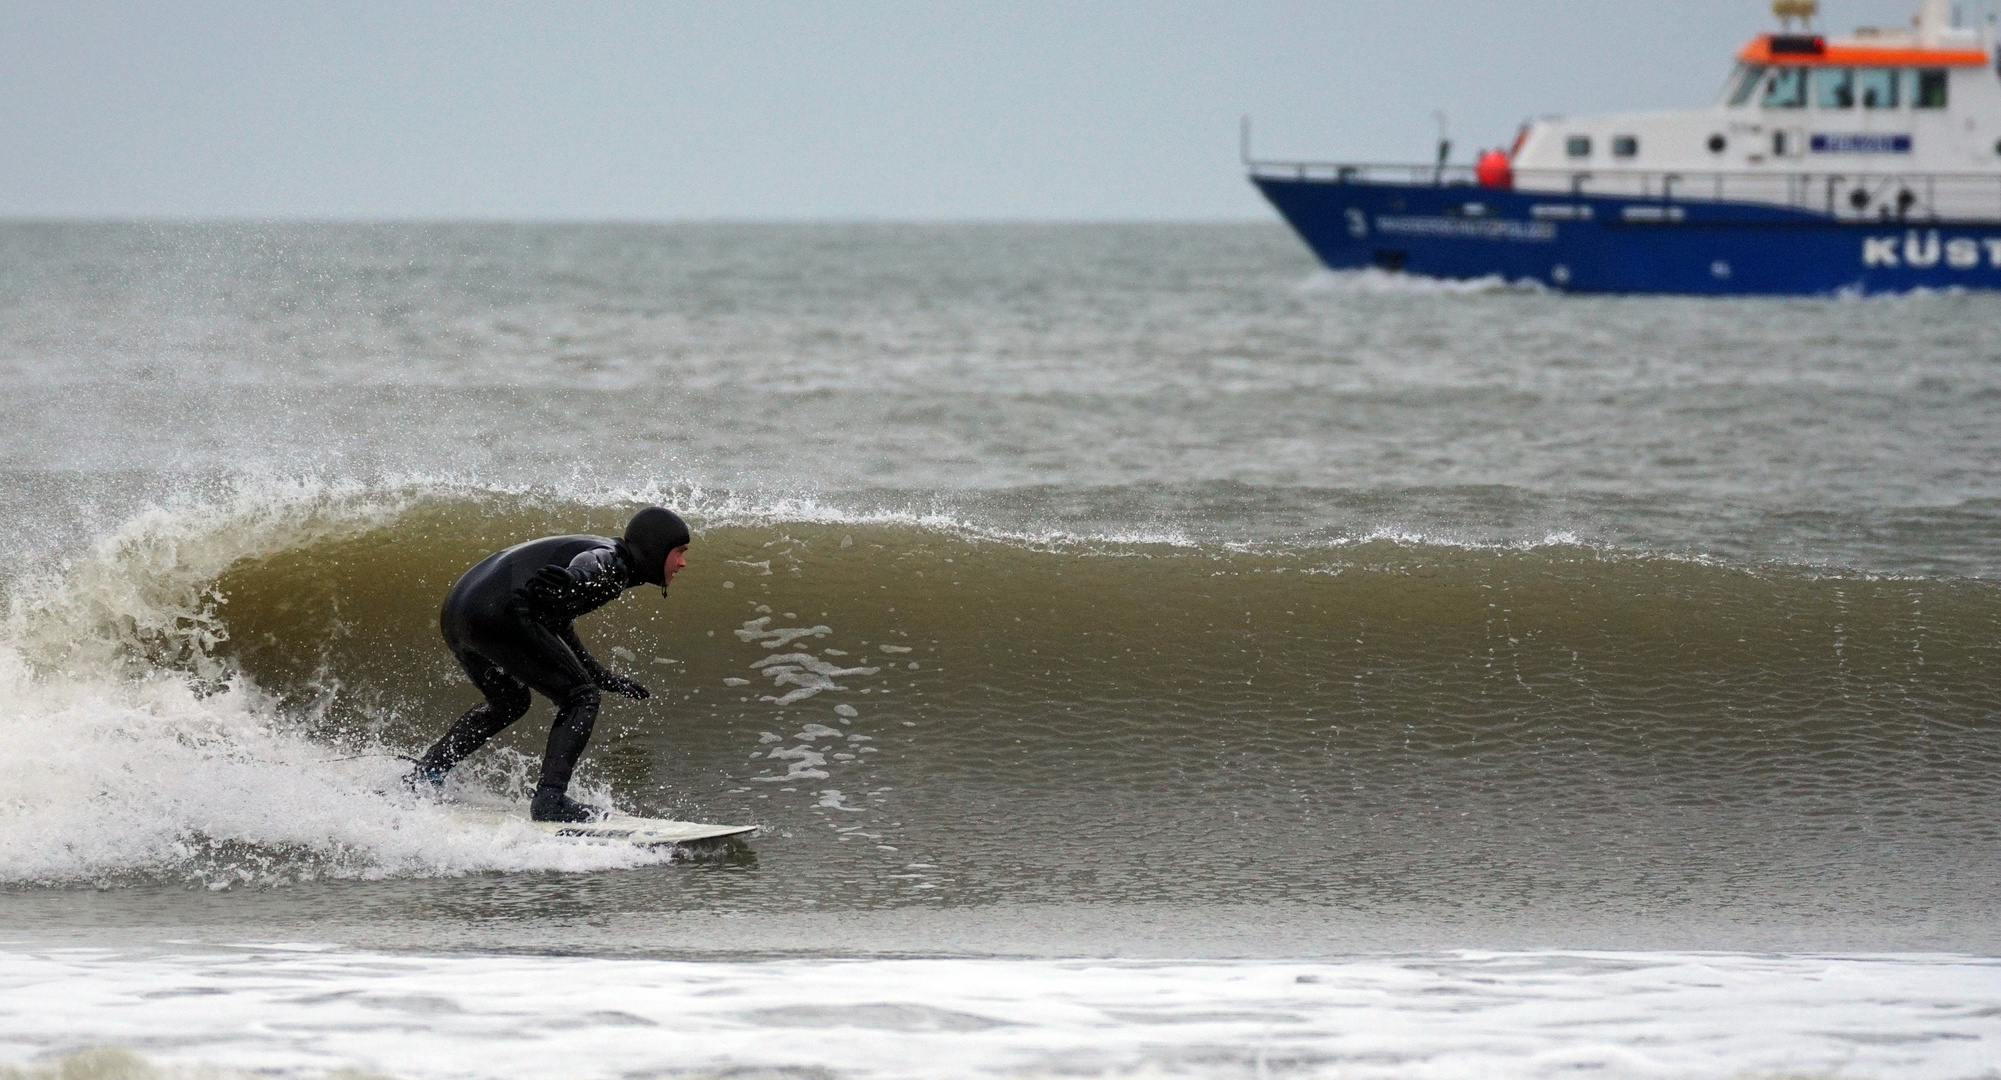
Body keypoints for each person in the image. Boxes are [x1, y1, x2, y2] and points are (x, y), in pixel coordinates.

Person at [406, 506, 691, 822]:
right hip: (499, 610)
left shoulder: (609, 555)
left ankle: (426, 774)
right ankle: (550, 799)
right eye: (678, 552)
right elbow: (591, 566)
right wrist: (576, 577)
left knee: (509, 703)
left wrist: (601, 676)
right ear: (656, 548)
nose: (682, 563)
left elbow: (556, 622)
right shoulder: (613, 560)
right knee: (581, 698)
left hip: (461, 613)